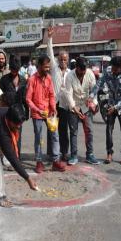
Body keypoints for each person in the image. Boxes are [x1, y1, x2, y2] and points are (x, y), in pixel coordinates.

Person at [26, 55, 67, 173]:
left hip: (49, 112)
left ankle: (55, 161)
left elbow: (51, 95)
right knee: (39, 137)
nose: (47, 69)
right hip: (37, 113)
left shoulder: (49, 78)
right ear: (38, 66)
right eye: (45, 67)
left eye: (48, 67)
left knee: (55, 135)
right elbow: (28, 99)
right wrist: (37, 110)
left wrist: (53, 108)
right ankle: (39, 162)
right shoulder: (32, 80)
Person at [89, 56, 121, 166]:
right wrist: (91, 95)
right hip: (109, 105)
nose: (112, 70)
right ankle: (109, 153)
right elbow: (99, 84)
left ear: (120, 67)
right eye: (111, 67)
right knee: (109, 130)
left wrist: (116, 107)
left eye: (114, 69)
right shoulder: (108, 72)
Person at [64, 57, 100, 165]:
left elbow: (94, 90)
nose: (83, 74)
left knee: (89, 130)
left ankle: (90, 154)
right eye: (81, 71)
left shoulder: (89, 74)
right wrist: (73, 107)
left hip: (86, 104)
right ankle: (74, 155)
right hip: (74, 105)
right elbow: (68, 94)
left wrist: (93, 103)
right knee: (73, 131)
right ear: (76, 68)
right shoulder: (69, 76)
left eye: (84, 71)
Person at [47, 26, 70, 161]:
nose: (62, 61)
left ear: (67, 60)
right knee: (52, 128)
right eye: (61, 59)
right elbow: (50, 52)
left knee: (63, 130)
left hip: (65, 105)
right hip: (53, 104)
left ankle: (64, 152)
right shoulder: (54, 69)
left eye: (64, 59)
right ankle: (51, 153)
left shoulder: (70, 73)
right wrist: (50, 38)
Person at [0, 56, 29, 157]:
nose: (14, 72)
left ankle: (16, 157)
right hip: (6, 112)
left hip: (19, 113)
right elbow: (0, 97)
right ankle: (7, 157)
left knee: (17, 136)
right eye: (12, 69)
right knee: (7, 135)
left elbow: (25, 98)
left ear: (19, 69)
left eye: (16, 70)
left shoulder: (24, 81)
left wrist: (27, 113)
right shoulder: (4, 80)